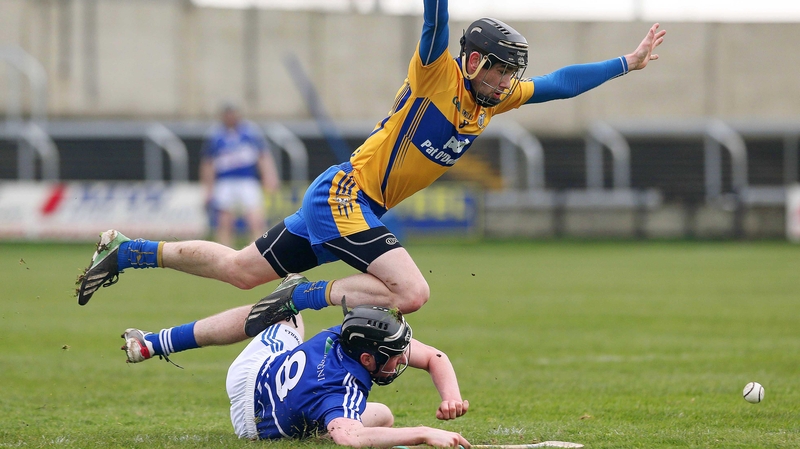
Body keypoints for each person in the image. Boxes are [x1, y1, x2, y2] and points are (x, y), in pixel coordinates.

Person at [76, 0, 666, 353]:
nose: (510, 82)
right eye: (501, 70)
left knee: (239, 271)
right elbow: (436, 17)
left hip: (347, 202)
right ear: (474, 61)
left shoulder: (492, 101)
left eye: (513, 75)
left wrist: (627, 63)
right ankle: (301, 296)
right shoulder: (438, 73)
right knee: (411, 294)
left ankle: (130, 256)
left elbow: (560, 83)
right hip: (345, 196)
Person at [121, 305, 471, 448]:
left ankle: (155, 343)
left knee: (284, 308)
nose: (402, 361)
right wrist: (424, 432)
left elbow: (434, 357)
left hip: (252, 373)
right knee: (382, 417)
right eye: (395, 356)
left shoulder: (344, 333)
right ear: (367, 358)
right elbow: (351, 438)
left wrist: (451, 397)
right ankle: (315, 429)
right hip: (255, 427)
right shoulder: (343, 390)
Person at [201, 102, 279, 247]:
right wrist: (208, 188)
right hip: (224, 181)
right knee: (224, 219)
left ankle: (258, 249)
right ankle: (225, 249)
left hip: (247, 180)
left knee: (255, 217)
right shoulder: (216, 135)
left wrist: (269, 176)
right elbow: (208, 163)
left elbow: (263, 156)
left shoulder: (250, 132)